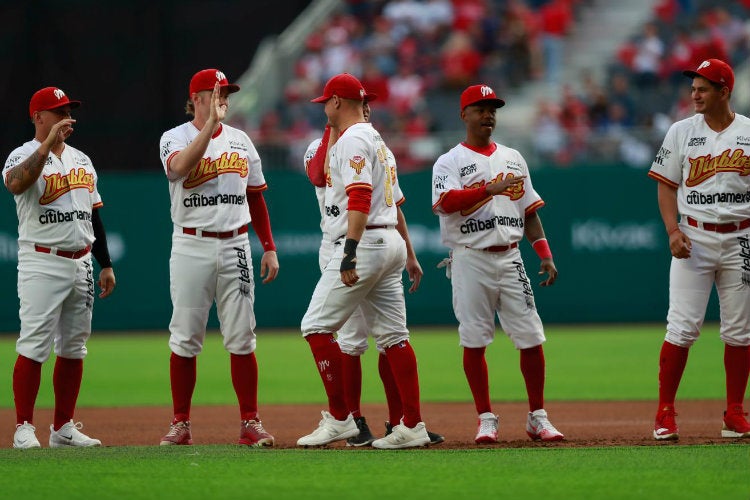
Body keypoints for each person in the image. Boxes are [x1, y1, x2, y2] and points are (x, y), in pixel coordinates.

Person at [298, 73, 430, 449]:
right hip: (389, 240)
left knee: (315, 326)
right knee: (394, 336)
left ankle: (341, 418)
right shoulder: (377, 139)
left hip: (364, 241)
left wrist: (350, 251)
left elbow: (358, 196)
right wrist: (408, 253)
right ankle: (413, 425)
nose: (323, 108)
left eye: (326, 102)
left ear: (337, 102)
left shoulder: (354, 139)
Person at [431, 84, 565, 444]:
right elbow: (445, 202)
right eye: (480, 108)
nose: (488, 114)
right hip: (469, 257)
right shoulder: (450, 160)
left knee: (531, 337)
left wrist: (545, 254)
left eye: (492, 108)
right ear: (464, 114)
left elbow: (530, 211)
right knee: (474, 340)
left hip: (510, 255)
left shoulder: (513, 157)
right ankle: (485, 418)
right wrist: (488, 190)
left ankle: (538, 416)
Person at [158, 69, 279, 447]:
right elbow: (178, 169)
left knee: (243, 336)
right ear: (197, 98)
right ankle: (180, 423)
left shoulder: (242, 141)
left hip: (236, 244)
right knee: (185, 337)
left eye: (226, 92)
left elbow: (256, 196)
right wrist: (209, 127)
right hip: (191, 244)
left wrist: (269, 246)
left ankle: (250, 421)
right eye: (216, 92)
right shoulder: (174, 137)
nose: (224, 97)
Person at [4, 86, 116, 449]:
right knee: (35, 344)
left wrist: (106, 264)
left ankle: (63, 427)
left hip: (82, 260)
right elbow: (16, 183)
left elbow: (93, 215)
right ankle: (23, 426)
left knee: (73, 347)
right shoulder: (22, 154)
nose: (67, 117)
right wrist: (45, 146)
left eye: (69, 110)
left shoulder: (83, 159)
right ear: (38, 118)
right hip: (42, 258)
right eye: (59, 111)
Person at [648, 58, 750, 440]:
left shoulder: (748, 132)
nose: (695, 94)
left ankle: (735, 414)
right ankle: (665, 412)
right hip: (694, 237)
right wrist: (672, 230)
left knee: (740, 330)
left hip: (742, 237)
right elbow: (665, 184)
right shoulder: (681, 131)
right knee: (682, 326)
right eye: (693, 88)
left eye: (703, 88)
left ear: (724, 91)